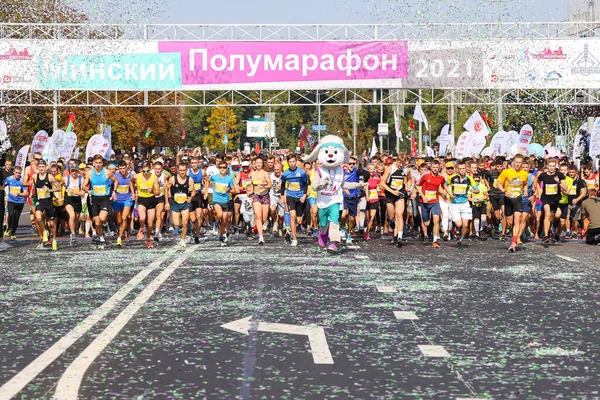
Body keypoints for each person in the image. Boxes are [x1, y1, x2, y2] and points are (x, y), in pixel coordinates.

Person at [82, 154, 117, 249]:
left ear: (102, 163)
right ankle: (101, 238)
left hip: (104, 198)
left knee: (102, 218)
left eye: (100, 163)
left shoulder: (107, 172)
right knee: (96, 222)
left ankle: (105, 224)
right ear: (93, 163)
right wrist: (87, 190)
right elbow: (83, 185)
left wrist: (114, 192)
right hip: (94, 198)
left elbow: (115, 180)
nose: (98, 165)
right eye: (96, 163)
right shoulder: (89, 173)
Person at [496, 154, 529, 252]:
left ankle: (514, 243)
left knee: (517, 220)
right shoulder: (506, 172)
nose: (518, 164)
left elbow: (525, 183)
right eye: (516, 162)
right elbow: (498, 183)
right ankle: (512, 232)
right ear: (513, 162)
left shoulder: (524, 174)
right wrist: (504, 191)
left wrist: (526, 191)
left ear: (522, 163)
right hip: (507, 199)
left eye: (520, 163)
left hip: (517, 199)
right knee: (510, 222)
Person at [416, 159, 449, 248]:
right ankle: (428, 228)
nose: (435, 169)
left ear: (439, 168)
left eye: (436, 168)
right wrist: (423, 196)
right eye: (433, 167)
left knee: (436, 219)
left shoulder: (441, 177)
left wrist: (450, 193)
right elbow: (417, 186)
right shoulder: (425, 175)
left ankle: (435, 240)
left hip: (435, 201)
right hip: (425, 202)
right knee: (426, 223)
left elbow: (444, 184)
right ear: (431, 167)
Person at [535, 158, 567, 243]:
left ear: (555, 166)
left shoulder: (559, 175)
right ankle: (546, 235)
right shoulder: (543, 175)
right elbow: (537, 182)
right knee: (547, 214)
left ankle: (549, 231)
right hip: (546, 198)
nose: (552, 168)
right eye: (550, 166)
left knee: (552, 218)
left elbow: (566, 188)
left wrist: (559, 182)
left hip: (555, 199)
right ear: (547, 166)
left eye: (553, 166)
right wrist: (539, 192)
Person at [447, 161, 479, 246]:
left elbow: (477, 190)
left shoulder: (469, 179)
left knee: (465, 225)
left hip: (465, 204)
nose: (462, 170)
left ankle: (460, 239)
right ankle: (456, 231)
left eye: (463, 168)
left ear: (466, 169)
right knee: (459, 224)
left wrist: (472, 190)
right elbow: (444, 185)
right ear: (457, 169)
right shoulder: (452, 178)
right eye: (460, 169)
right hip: (455, 204)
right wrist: (450, 194)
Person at [32, 159, 61, 250]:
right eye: (39, 167)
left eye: (43, 167)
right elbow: (34, 187)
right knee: (38, 217)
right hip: (40, 201)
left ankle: (55, 240)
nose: (41, 168)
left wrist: (49, 190)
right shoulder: (34, 177)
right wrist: (31, 193)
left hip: (49, 202)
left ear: (46, 167)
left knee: (52, 224)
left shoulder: (50, 177)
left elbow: (59, 188)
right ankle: (45, 231)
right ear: (37, 168)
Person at [165, 162, 196, 248]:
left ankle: (183, 239)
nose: (182, 172)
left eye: (184, 170)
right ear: (178, 170)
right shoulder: (173, 179)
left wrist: (190, 197)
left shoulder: (189, 180)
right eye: (181, 170)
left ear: (186, 170)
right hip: (175, 203)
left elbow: (193, 191)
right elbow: (166, 188)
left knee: (185, 222)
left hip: (185, 203)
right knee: (176, 223)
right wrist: (167, 202)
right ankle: (180, 230)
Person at [131, 161, 160, 249]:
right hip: (141, 200)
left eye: (147, 171)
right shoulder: (137, 176)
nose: (146, 173)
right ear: (141, 170)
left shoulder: (154, 178)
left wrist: (152, 190)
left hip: (151, 200)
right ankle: (142, 228)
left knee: (150, 223)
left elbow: (158, 192)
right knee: (142, 218)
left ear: (150, 170)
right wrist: (133, 193)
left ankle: (148, 239)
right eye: (144, 171)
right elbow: (131, 181)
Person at [281, 154, 308, 246]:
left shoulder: (302, 172)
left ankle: (290, 231)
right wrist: (282, 196)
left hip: (300, 196)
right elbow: (283, 185)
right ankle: (294, 238)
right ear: (288, 163)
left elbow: (305, 184)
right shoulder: (285, 174)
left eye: (293, 161)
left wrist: (304, 195)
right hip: (290, 196)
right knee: (292, 216)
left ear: (296, 162)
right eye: (290, 162)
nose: (292, 163)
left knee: (299, 220)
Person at [210, 162, 237, 246]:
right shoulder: (214, 177)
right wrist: (207, 186)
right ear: (219, 168)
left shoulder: (229, 179)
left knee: (224, 222)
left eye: (224, 167)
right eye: (220, 167)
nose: (222, 169)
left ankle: (221, 237)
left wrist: (228, 190)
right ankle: (215, 222)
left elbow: (234, 190)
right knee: (220, 214)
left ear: (226, 169)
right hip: (216, 200)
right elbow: (206, 180)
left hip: (225, 201)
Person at [112, 160, 135, 247]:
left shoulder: (131, 177)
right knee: (118, 220)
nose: (122, 170)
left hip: (127, 199)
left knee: (124, 217)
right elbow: (110, 186)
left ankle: (119, 238)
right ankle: (124, 229)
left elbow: (136, 185)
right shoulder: (115, 176)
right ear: (118, 168)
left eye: (124, 168)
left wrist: (134, 194)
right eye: (120, 168)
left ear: (127, 168)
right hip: (117, 200)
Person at [250, 157, 272, 245]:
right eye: (257, 163)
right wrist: (250, 191)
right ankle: (261, 236)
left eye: (260, 163)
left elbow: (270, 185)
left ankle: (266, 221)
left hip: (265, 195)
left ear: (263, 164)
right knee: (258, 216)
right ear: (254, 164)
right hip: (256, 195)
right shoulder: (252, 174)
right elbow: (250, 185)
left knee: (264, 217)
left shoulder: (265, 173)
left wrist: (264, 186)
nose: (258, 164)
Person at [3, 166, 28, 240]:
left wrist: (19, 194)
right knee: (10, 214)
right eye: (16, 173)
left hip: (20, 201)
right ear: (13, 172)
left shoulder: (22, 181)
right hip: (11, 200)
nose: (17, 174)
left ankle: (13, 233)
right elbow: (3, 186)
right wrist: (5, 196)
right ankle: (9, 227)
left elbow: (26, 193)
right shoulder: (9, 179)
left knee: (16, 218)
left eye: (19, 173)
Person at [63, 163, 85, 246]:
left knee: (76, 218)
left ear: (78, 171)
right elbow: (57, 185)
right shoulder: (65, 179)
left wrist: (75, 192)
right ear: (69, 171)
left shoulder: (81, 179)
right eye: (72, 171)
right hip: (68, 200)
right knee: (71, 216)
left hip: (77, 200)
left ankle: (74, 232)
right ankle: (72, 235)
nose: (74, 173)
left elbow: (82, 193)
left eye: (75, 171)